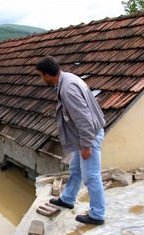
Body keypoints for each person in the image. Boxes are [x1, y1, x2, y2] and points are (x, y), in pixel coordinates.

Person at [36, 56, 106, 225]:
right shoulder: (68, 78)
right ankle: (67, 199)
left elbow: (84, 120)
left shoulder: (68, 89)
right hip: (85, 136)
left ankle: (97, 214)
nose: (40, 79)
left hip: (88, 136)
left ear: (47, 75)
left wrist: (86, 145)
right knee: (75, 168)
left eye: (40, 75)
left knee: (91, 176)